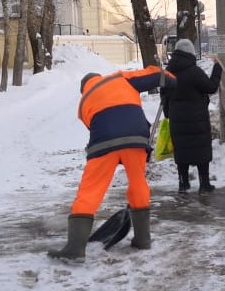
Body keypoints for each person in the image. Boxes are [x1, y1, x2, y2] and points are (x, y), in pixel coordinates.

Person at [48, 65, 174, 261]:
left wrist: (113, 156)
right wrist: (169, 81)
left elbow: (99, 128)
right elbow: (156, 75)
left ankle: (75, 248)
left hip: (103, 143)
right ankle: (143, 239)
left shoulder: (83, 104)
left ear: (85, 87)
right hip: (136, 137)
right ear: (99, 77)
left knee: (90, 190)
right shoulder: (119, 78)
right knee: (138, 182)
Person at [162, 39, 223, 193]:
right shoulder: (194, 71)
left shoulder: (167, 72)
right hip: (197, 118)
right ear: (190, 53)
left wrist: (169, 114)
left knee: (181, 151)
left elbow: (164, 96)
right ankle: (204, 184)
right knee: (201, 150)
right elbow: (211, 87)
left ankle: (183, 183)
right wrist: (217, 68)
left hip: (177, 119)